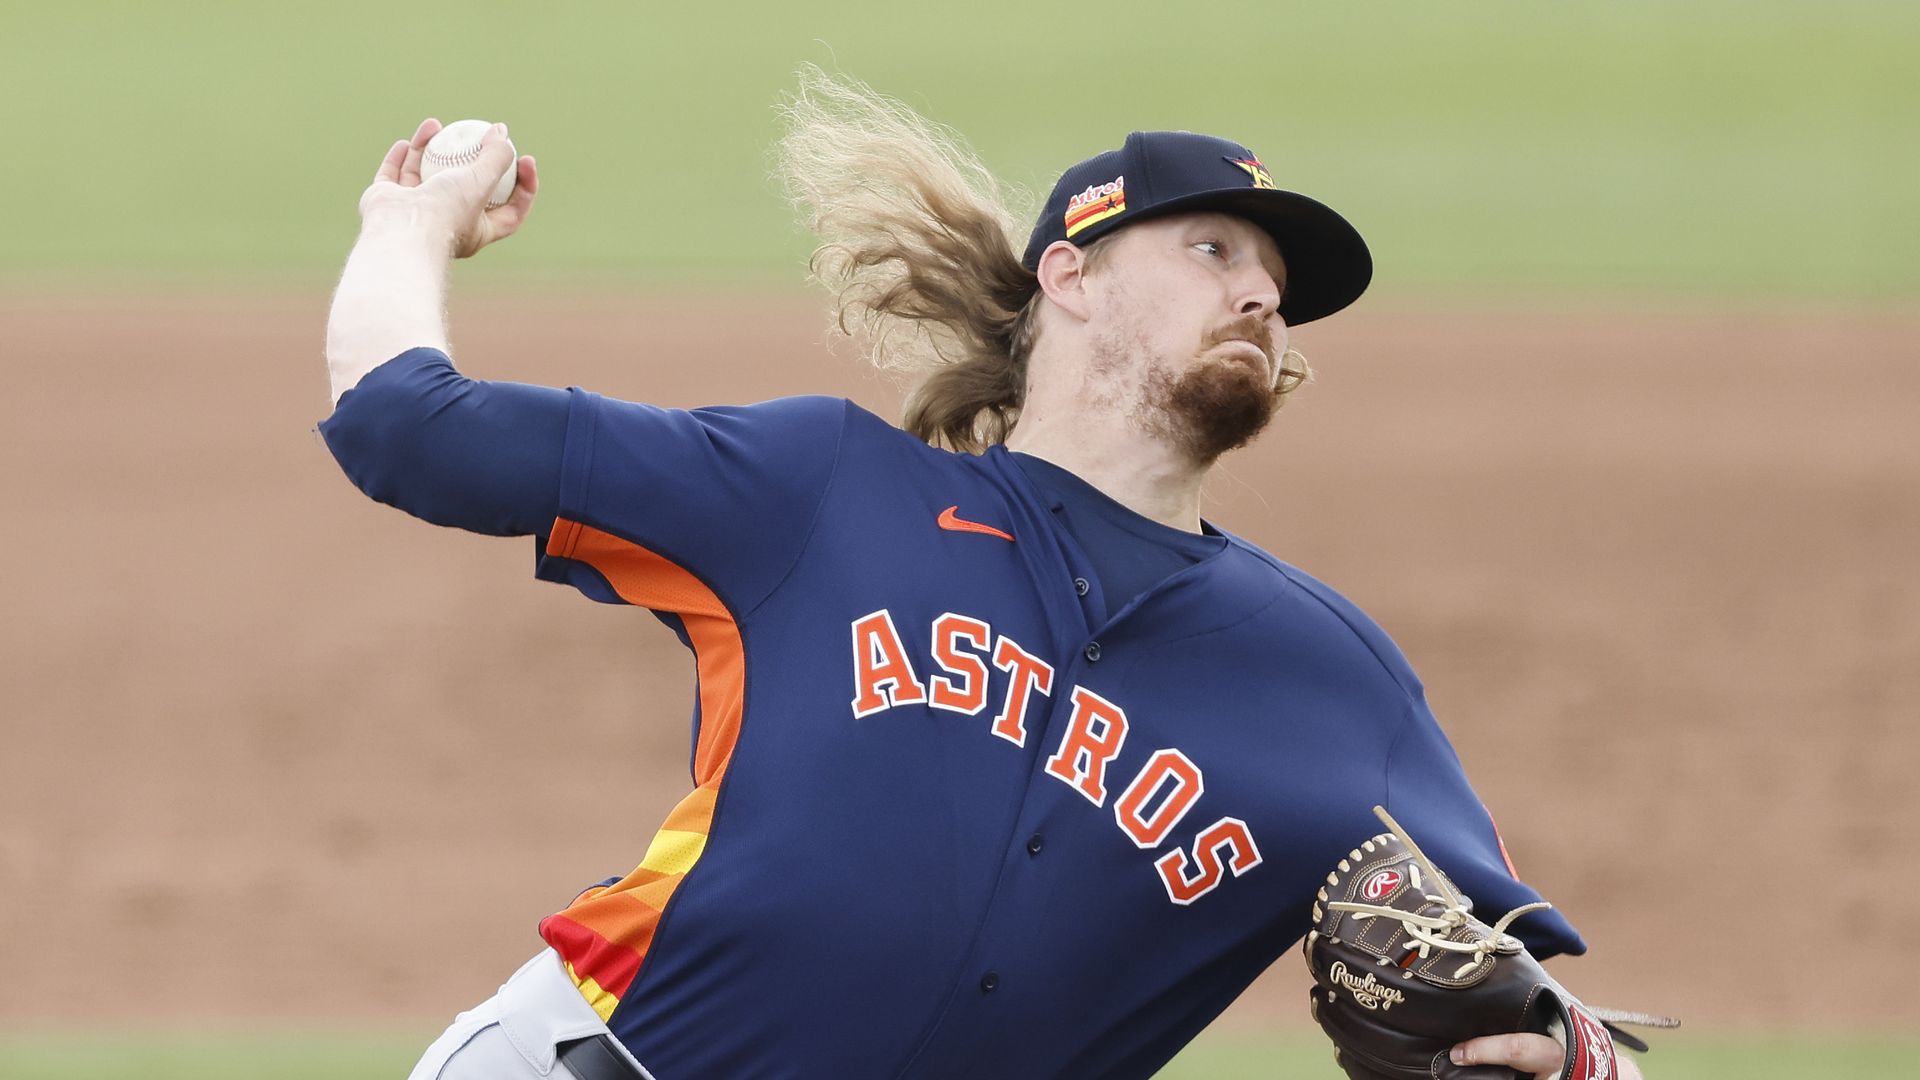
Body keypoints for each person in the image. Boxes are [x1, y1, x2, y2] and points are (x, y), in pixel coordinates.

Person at [321, 71, 1639, 1080]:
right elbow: (403, 427)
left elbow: (1527, 998)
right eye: (1213, 251)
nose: (1260, 298)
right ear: (1068, 272)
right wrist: (411, 218)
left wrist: (1559, 1048)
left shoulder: (1336, 682)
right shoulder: (824, 488)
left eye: (1278, 286)